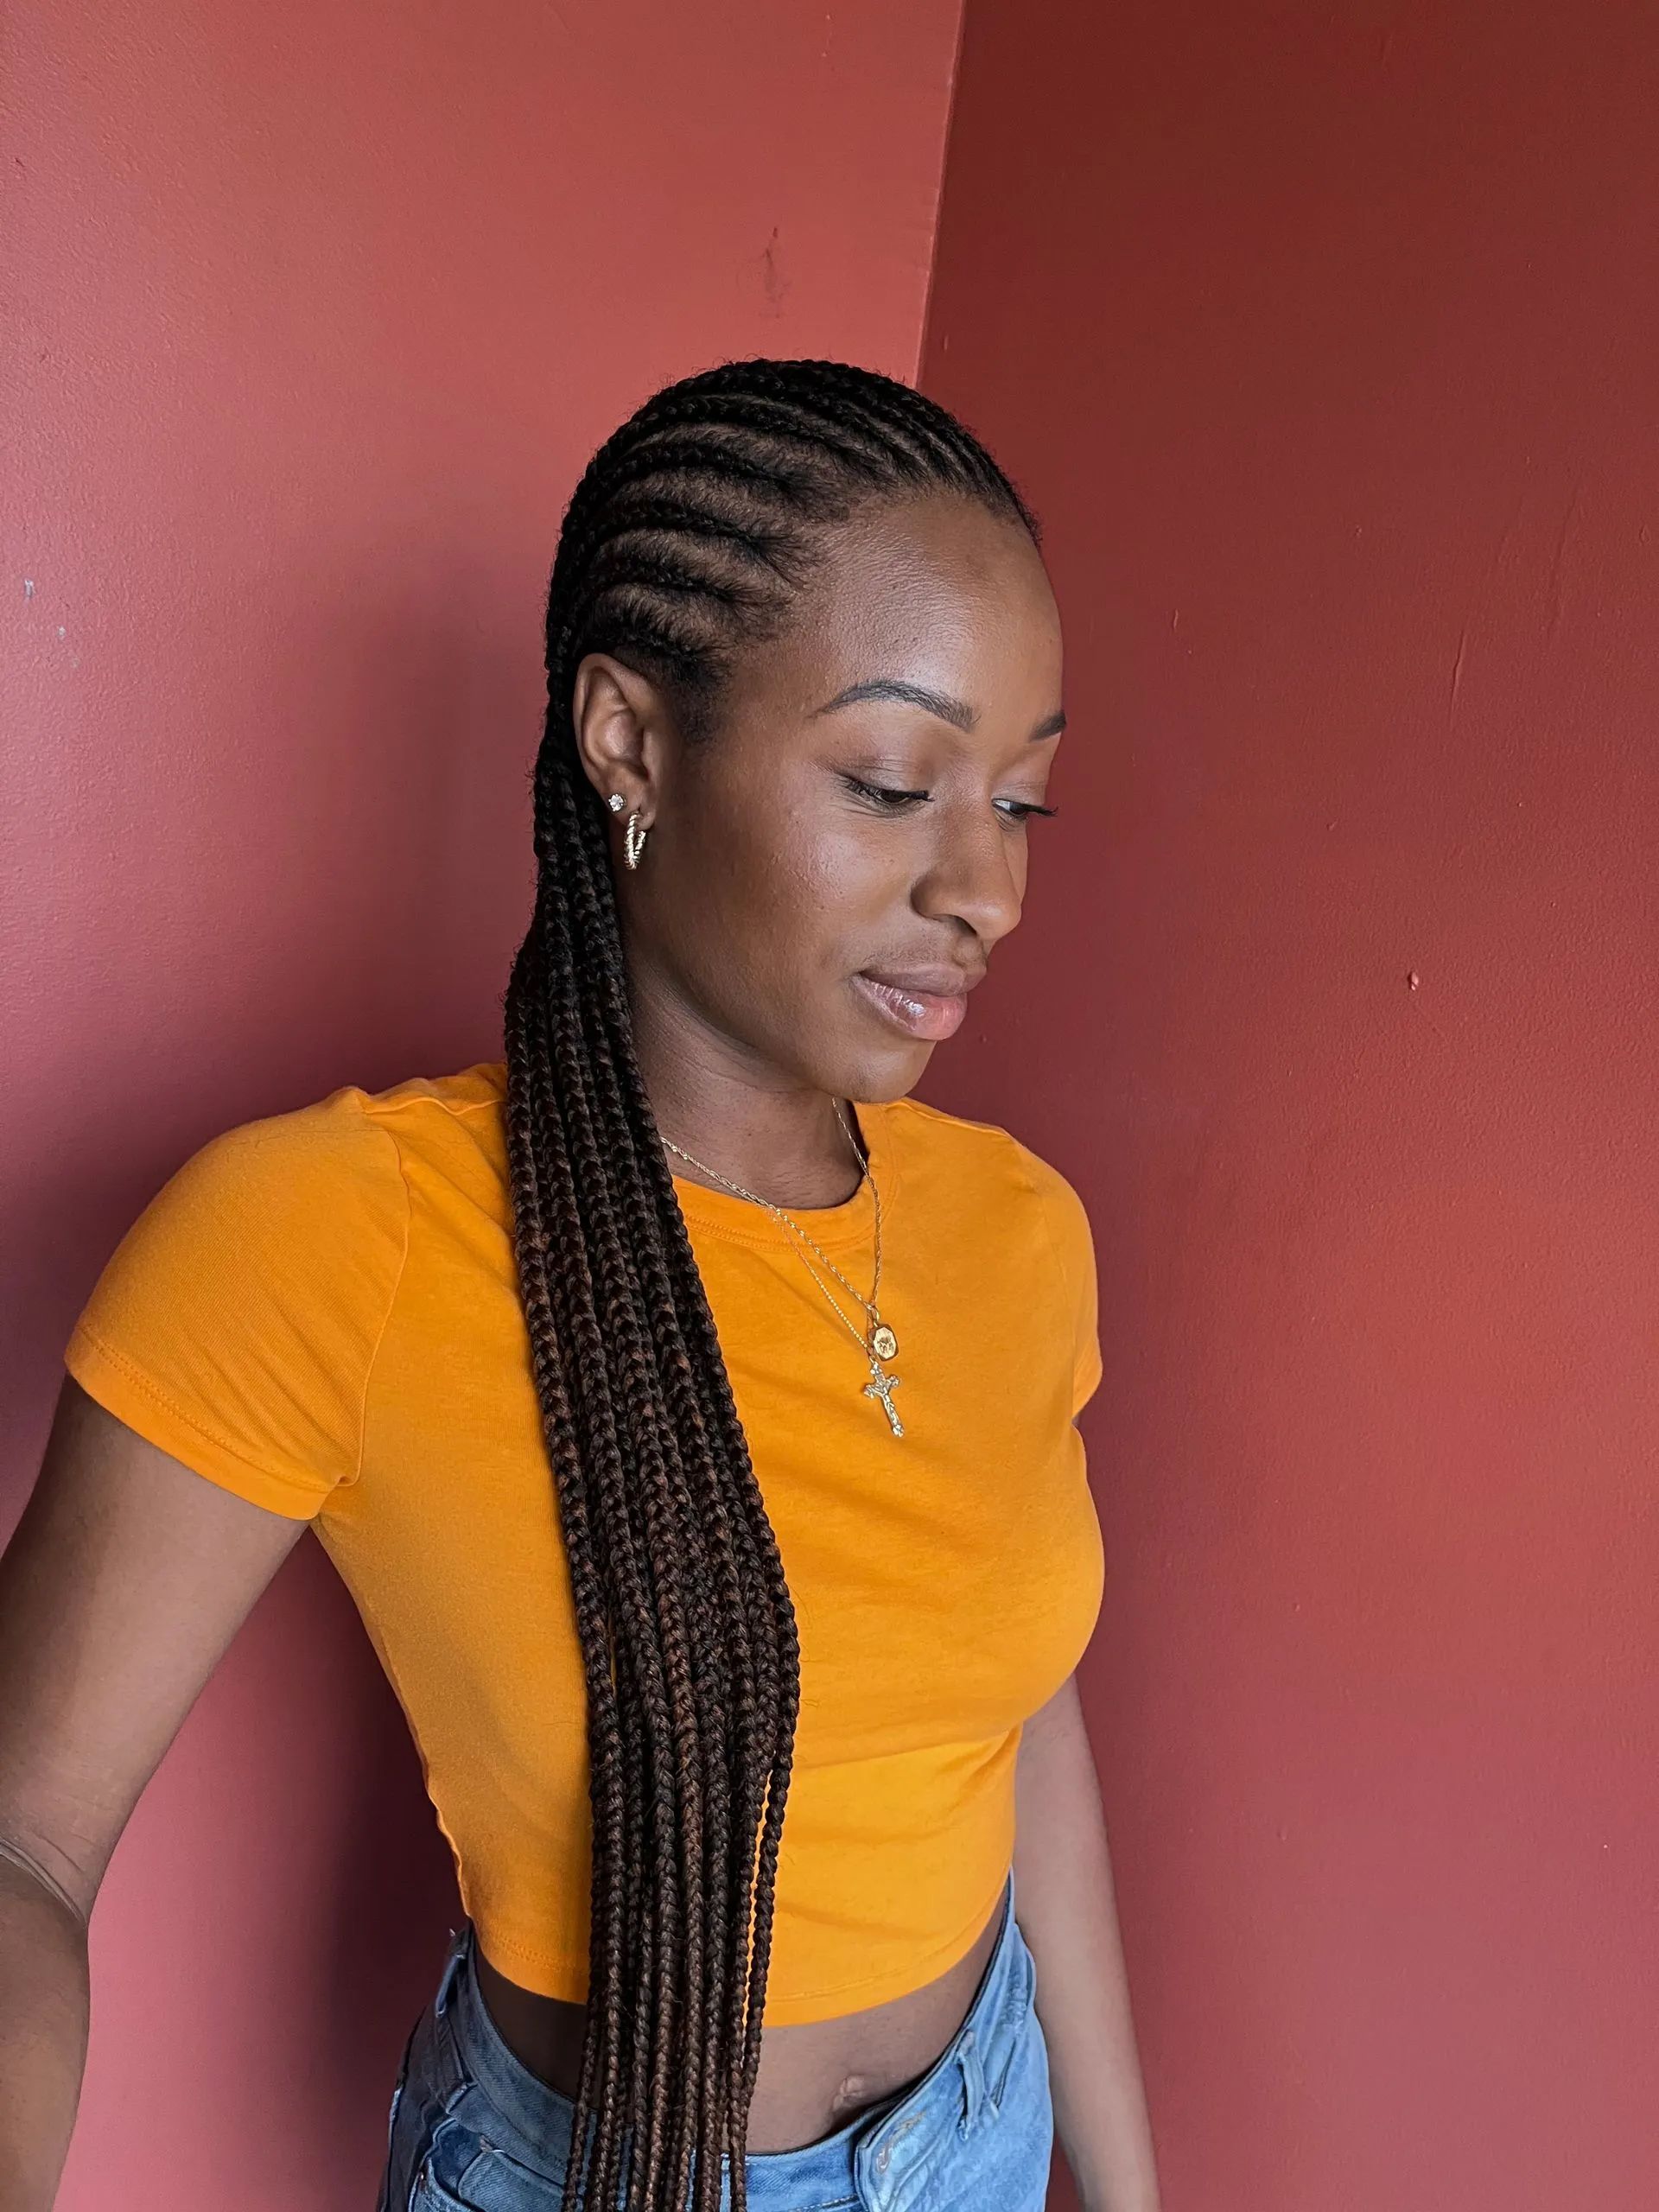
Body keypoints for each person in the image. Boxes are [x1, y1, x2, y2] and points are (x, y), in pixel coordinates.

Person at [0, 359, 1162, 2212]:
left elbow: (1018, 1710)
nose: (986, 888)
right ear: (628, 739)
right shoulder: (338, 1231)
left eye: (1020, 804)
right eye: (891, 780)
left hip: (984, 2114)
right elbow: (24, 1834)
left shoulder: (1019, 1225)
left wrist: (1122, 2180)